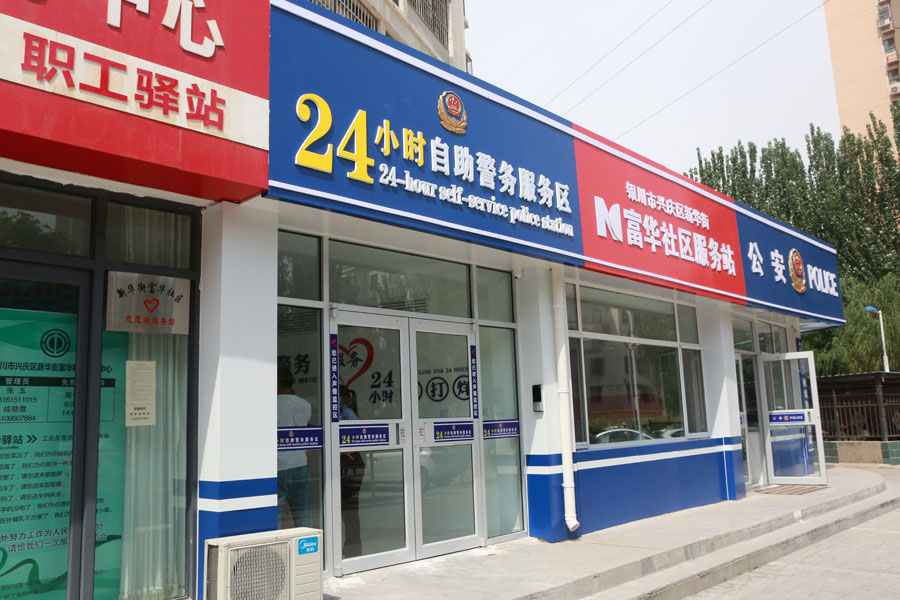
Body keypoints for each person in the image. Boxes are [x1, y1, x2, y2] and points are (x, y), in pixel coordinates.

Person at [277, 367, 313, 527]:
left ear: (277, 383)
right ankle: (310, 546)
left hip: (279, 465)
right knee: (303, 512)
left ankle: (274, 548)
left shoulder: (272, 404)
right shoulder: (305, 405)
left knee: (276, 514)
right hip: (300, 463)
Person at [339, 384, 365, 557]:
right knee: (347, 510)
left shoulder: (347, 414)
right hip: (349, 464)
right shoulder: (344, 412)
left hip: (350, 465)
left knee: (349, 511)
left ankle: (352, 550)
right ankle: (350, 549)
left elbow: (352, 443)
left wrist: (341, 450)